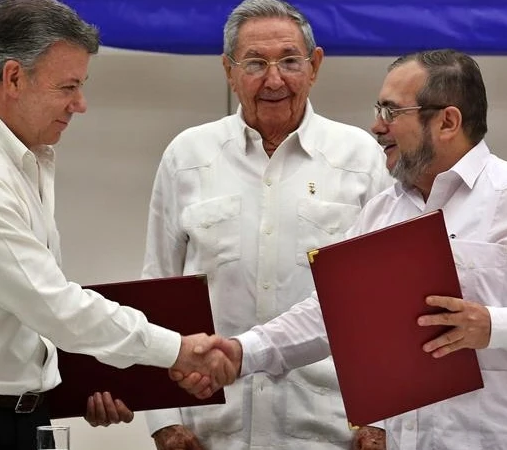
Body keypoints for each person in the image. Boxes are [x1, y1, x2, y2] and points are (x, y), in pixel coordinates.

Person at [181, 49, 507, 450]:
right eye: (378, 110)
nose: (376, 126)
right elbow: (332, 314)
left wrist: (494, 324)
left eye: (391, 111)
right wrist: (243, 351)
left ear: (447, 122)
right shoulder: (382, 212)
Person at [0, 2, 233, 449]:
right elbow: (49, 303)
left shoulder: (26, 158)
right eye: (68, 86)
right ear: (13, 78)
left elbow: (25, 315)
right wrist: (177, 351)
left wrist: (94, 383)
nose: (80, 104)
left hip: (13, 416)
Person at [139, 1, 392, 449]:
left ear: (314, 67)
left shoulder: (360, 158)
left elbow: (384, 299)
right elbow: (157, 288)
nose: (274, 80)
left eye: (290, 62)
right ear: (228, 70)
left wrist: (383, 421)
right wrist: (163, 422)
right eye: (255, 63)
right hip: (211, 431)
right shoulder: (188, 156)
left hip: (329, 431)